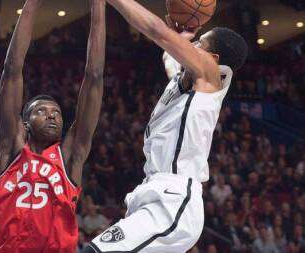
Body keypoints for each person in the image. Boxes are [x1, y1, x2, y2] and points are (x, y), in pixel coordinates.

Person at [83, 0, 248, 252]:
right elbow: (169, 55)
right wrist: (180, 35)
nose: (191, 46)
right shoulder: (184, 82)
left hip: (173, 200)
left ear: (213, 58)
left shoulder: (212, 75)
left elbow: (158, 32)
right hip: (153, 193)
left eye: (199, 43)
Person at [0, 0, 106, 252]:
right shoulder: (12, 149)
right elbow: (12, 70)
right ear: (25, 123)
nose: (52, 116)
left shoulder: (69, 156)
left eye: (56, 112)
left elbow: (94, 76)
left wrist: (98, 4)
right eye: (41, 111)